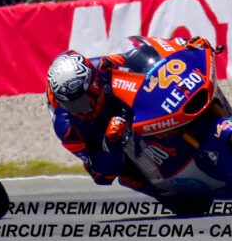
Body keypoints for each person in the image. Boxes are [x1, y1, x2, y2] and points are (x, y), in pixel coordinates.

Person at [45, 35, 216, 215]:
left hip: (118, 105)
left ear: (94, 81)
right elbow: (101, 175)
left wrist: (182, 45)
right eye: (73, 105)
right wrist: (110, 144)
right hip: (100, 132)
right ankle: (165, 193)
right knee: (127, 175)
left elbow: (142, 54)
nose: (82, 109)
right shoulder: (68, 129)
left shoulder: (102, 66)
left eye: (86, 98)